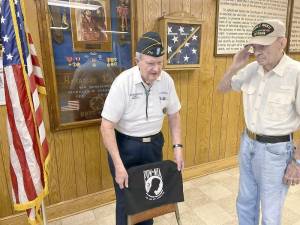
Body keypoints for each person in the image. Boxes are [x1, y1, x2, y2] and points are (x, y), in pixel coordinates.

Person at [218, 19, 300, 225]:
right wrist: (234, 66)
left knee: (271, 213)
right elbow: (223, 88)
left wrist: (297, 162)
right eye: (254, 46)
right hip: (248, 144)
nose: (257, 51)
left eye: (263, 46)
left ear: (282, 42)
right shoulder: (252, 68)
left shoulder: (296, 73)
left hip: (277, 151)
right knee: (245, 202)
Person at [100, 32, 184, 225]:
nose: (156, 70)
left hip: (153, 146)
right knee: (126, 200)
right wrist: (118, 165)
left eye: (160, 63)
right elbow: (106, 126)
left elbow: (174, 114)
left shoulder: (166, 81)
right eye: (150, 64)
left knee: (150, 198)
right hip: (125, 147)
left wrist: (178, 147)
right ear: (136, 60)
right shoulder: (123, 82)